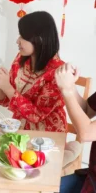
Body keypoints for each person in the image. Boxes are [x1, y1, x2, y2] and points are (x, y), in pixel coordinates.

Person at [0, 11, 67, 132]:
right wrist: (0, 85)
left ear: (39, 39)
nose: (17, 41)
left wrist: (7, 87)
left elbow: (36, 115)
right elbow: (6, 101)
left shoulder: (59, 72)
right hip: (19, 127)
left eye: (22, 36)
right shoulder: (21, 59)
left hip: (47, 135)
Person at [55, 63, 96, 193]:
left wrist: (66, 90)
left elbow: (87, 133)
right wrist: (71, 86)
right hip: (91, 177)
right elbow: (86, 110)